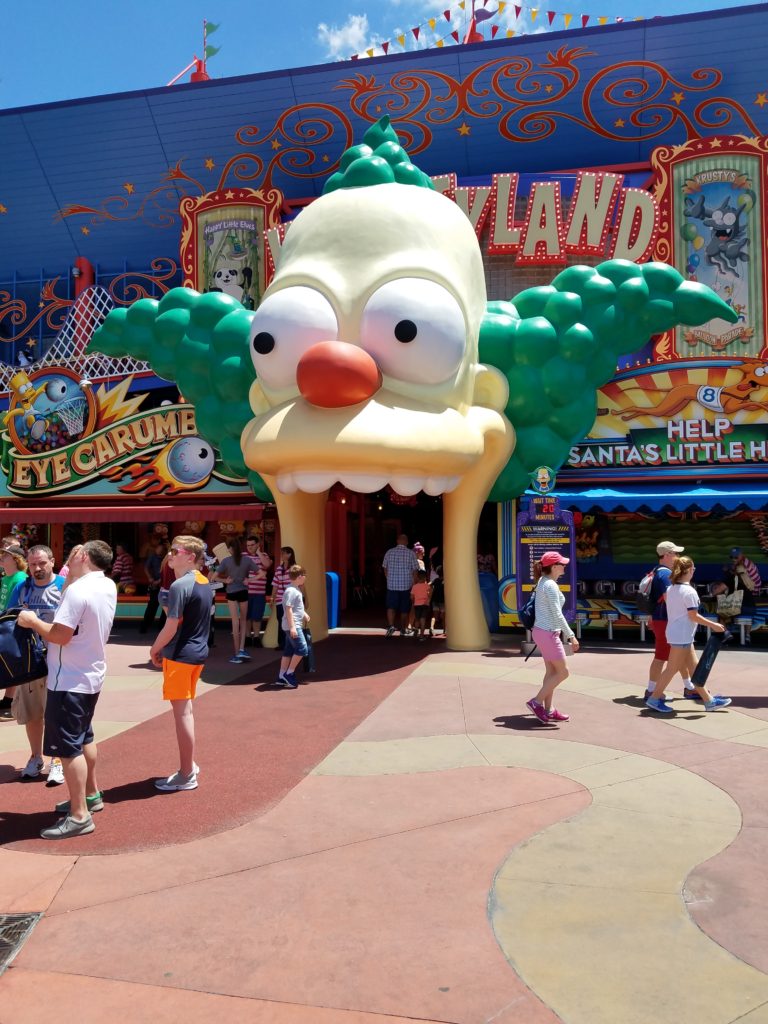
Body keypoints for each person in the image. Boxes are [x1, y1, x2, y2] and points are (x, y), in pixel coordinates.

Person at [18, 540, 117, 840]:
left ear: (84, 556)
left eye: (74, 553)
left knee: (69, 748)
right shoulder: (106, 585)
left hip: (68, 679)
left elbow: (60, 635)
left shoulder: (77, 590)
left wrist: (33, 621)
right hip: (90, 674)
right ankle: (90, 796)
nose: (68, 559)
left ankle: (79, 815)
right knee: (84, 737)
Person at [149, 535, 212, 793]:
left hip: (181, 655)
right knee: (187, 712)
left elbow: (171, 625)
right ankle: (189, 766)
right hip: (197, 653)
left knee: (182, 714)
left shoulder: (179, 586)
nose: (171, 555)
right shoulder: (203, 581)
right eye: (171, 550)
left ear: (191, 557)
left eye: (176, 551)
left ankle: (186, 773)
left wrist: (155, 648)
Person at [8, 545, 66, 784]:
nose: (37, 568)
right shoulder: (22, 588)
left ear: (52, 561)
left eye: (42, 563)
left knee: (56, 713)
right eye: (33, 564)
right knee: (32, 714)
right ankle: (35, 757)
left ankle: (58, 760)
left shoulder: (65, 586)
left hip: (58, 659)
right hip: (29, 662)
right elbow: (8, 617)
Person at [646, 556, 731, 713]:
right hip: (682, 635)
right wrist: (714, 625)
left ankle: (709, 700)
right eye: (693, 569)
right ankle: (654, 699)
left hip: (677, 633)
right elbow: (693, 616)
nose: (694, 571)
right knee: (672, 668)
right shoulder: (689, 591)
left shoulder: (671, 589)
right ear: (688, 570)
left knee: (694, 669)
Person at [526, 551, 579, 724]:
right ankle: (536, 702)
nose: (564, 566)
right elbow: (557, 613)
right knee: (563, 672)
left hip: (542, 632)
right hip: (548, 633)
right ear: (554, 567)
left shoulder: (543, 581)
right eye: (562, 564)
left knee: (552, 672)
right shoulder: (550, 585)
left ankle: (549, 709)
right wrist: (571, 636)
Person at [643, 541, 699, 703]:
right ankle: (653, 691)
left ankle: (689, 687)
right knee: (662, 656)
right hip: (666, 621)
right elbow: (671, 600)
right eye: (675, 553)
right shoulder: (665, 574)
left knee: (677, 655)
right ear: (667, 555)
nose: (678, 556)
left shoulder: (656, 571)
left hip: (662, 620)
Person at [212, 538, 256, 663]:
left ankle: (237, 653)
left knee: (235, 622)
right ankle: (241, 649)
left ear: (230, 549)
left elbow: (213, 578)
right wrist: (250, 581)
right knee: (243, 621)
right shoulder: (247, 560)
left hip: (231, 592)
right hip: (243, 591)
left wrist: (225, 581)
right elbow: (262, 573)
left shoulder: (226, 561)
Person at [0, 545, 28, 718]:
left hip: (12, 625)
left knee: (13, 663)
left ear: (16, 559)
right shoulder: (5, 578)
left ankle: (12, 700)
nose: (2, 557)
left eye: (5, 555)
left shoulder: (20, 578)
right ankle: (8, 698)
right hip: (3, 623)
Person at [713, 547, 762, 643]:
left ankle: (727, 634)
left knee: (721, 614)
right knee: (747, 615)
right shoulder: (746, 577)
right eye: (732, 557)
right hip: (751, 606)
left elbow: (718, 590)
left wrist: (711, 593)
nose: (733, 559)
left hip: (739, 606)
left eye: (736, 557)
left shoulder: (735, 576)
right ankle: (747, 636)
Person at [276, 565, 309, 689]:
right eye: (304, 575)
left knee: (289, 651)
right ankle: (289, 673)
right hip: (293, 626)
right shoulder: (291, 591)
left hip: (292, 625)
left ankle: (281, 676)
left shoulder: (295, 589)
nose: (305, 578)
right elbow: (288, 609)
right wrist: (293, 627)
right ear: (299, 576)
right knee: (302, 649)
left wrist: (304, 614)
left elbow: (295, 607)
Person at [383, 534, 419, 637]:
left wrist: (388, 578)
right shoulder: (411, 553)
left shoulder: (389, 552)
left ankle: (390, 626)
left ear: (397, 541)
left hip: (391, 585)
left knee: (391, 607)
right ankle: (403, 629)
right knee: (404, 609)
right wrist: (415, 583)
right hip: (406, 586)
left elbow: (385, 568)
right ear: (407, 542)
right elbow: (415, 571)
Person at [244, 535, 272, 646]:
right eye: (248, 545)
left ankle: (256, 637)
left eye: (252, 545)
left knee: (257, 617)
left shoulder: (264, 555)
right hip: (245, 592)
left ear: (257, 545)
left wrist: (259, 552)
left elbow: (267, 565)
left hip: (259, 592)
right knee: (246, 616)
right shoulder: (243, 556)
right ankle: (247, 637)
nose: (249, 547)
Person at [271, 546, 296, 650]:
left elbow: (300, 584)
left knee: (291, 621)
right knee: (281, 621)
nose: (281, 556)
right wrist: (272, 598)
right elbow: (275, 585)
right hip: (280, 600)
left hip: (291, 600)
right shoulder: (279, 569)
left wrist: (304, 598)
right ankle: (281, 643)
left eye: (283, 553)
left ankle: (291, 643)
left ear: (289, 554)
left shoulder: (294, 568)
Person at [140, 542, 168, 635]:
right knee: (152, 605)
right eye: (158, 549)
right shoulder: (153, 557)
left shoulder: (167, 559)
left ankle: (162, 627)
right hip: (155, 584)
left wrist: (160, 580)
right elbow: (146, 567)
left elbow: (167, 571)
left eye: (161, 549)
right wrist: (150, 578)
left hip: (165, 585)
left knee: (165, 607)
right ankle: (145, 626)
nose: (159, 551)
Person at [410, 569, 432, 642]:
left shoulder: (414, 587)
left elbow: (412, 597)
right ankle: (421, 635)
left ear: (417, 578)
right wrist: (428, 599)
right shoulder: (427, 586)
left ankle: (416, 629)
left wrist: (413, 602)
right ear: (425, 578)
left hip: (417, 605)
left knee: (417, 619)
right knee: (423, 620)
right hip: (425, 605)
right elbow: (430, 592)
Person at [430, 564, 445, 635]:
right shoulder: (447, 581)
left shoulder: (436, 580)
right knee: (443, 616)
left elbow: (429, 584)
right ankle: (445, 630)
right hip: (443, 601)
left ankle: (431, 627)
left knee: (434, 615)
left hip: (435, 600)